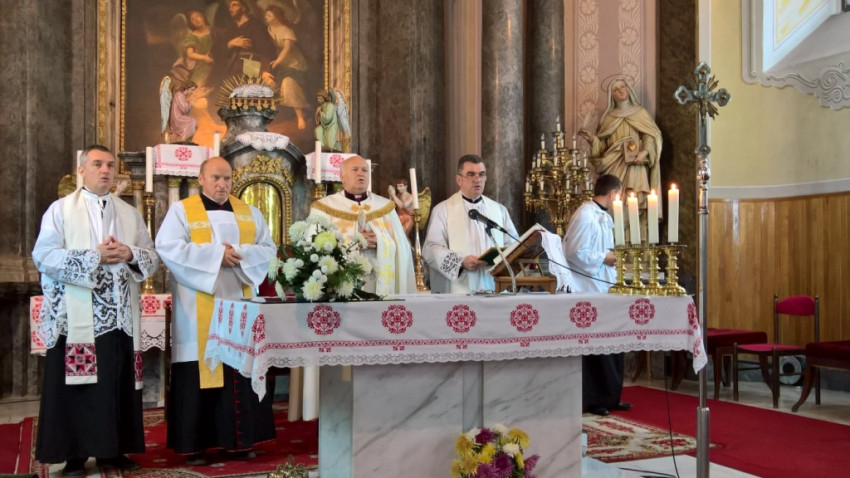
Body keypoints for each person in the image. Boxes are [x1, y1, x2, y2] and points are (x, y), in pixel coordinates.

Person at [32, 145, 160, 475]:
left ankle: (112, 451)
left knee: (115, 384)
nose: (105, 170)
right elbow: (44, 256)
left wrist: (129, 254)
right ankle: (74, 454)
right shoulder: (60, 210)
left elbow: (151, 257)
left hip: (119, 318)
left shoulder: (129, 213)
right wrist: (94, 257)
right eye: (97, 164)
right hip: (78, 318)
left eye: (110, 165)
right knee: (78, 388)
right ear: (81, 170)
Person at [155, 157, 277, 465]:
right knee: (201, 369)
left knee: (238, 366)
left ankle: (239, 441)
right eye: (215, 178)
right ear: (201, 179)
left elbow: (268, 249)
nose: (222, 184)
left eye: (227, 178)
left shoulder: (249, 213)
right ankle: (195, 445)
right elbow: (168, 248)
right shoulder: (182, 211)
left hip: (240, 305)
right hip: (197, 308)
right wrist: (215, 257)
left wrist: (240, 254)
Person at [562, 173, 631, 416]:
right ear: (613, 194)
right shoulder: (586, 214)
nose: (619, 200)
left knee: (613, 343)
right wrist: (605, 258)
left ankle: (612, 396)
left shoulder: (604, 216)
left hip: (604, 287)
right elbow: (574, 252)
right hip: (588, 289)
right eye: (619, 195)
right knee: (596, 348)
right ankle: (596, 400)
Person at [310, 155, 415, 295]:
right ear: (342, 177)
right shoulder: (324, 207)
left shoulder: (385, 206)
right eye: (355, 169)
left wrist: (381, 240)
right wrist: (351, 243)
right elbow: (312, 247)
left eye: (365, 170)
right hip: (342, 285)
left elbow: (403, 247)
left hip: (378, 282)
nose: (361, 173)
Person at [423, 154, 519, 294]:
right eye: (471, 174)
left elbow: (513, 244)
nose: (477, 179)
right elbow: (431, 248)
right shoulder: (443, 210)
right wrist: (461, 262)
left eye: (481, 174)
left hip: (495, 286)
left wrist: (498, 259)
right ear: (459, 180)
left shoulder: (499, 210)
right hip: (460, 290)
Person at [579, 78, 662, 220]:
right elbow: (603, 147)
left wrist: (645, 152)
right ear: (612, 95)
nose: (621, 91)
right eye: (616, 90)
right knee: (614, 200)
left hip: (635, 164)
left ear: (628, 88)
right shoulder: (609, 118)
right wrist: (593, 140)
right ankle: (616, 232)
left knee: (634, 199)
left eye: (623, 87)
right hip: (614, 163)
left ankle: (636, 234)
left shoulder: (640, 113)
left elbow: (650, 136)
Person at [265, 5, 309, 130]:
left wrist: (277, 62)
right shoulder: (268, 29)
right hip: (278, 64)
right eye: (266, 15)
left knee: (289, 83)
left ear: (276, 17)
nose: (266, 17)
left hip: (293, 63)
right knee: (269, 84)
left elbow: (287, 49)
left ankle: (300, 117)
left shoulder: (286, 30)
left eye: (269, 15)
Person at [222, 0, 276, 82]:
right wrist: (230, 44)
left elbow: (266, 50)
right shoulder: (231, 29)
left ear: (243, 8)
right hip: (231, 69)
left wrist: (264, 71)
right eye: (230, 6)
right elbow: (216, 50)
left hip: (250, 67)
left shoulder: (256, 26)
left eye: (234, 5)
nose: (230, 9)